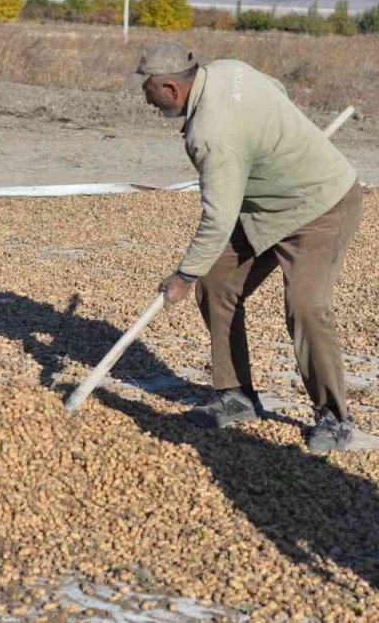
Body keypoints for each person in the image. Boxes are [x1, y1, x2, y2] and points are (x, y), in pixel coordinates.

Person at [135, 41, 364, 453]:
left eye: (146, 89)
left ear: (170, 88)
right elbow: (275, 88)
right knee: (216, 281)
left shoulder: (211, 135)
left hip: (319, 204)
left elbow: (218, 219)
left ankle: (334, 415)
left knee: (306, 305)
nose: (144, 98)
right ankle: (235, 395)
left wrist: (183, 275)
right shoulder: (229, 69)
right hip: (265, 206)